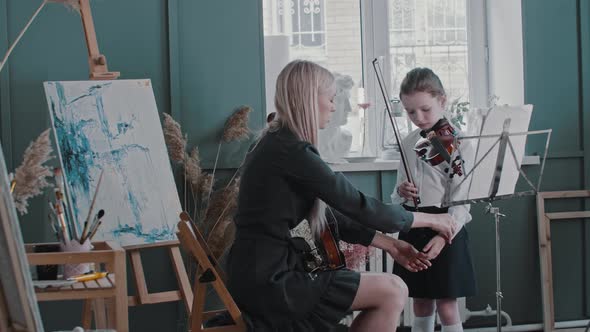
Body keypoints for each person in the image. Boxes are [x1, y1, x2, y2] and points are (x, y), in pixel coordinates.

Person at [226, 60, 459, 331]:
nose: (335, 107)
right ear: (310, 99)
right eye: (331, 98)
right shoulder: (291, 152)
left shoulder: (278, 143)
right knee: (393, 290)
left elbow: (332, 215)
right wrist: (431, 220)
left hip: (260, 274)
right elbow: (359, 206)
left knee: (393, 288)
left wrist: (392, 246)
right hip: (271, 281)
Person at [391, 67, 477, 332]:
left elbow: (462, 200)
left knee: (447, 304)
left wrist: (444, 236)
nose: (418, 117)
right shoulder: (408, 143)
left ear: (442, 100)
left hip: (448, 225)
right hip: (414, 224)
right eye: (410, 111)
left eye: (425, 109)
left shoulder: (457, 143)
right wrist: (402, 191)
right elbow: (396, 195)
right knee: (420, 301)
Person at [318, 72, 354, 162]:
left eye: (348, 100)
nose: (349, 109)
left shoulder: (346, 138)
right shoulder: (308, 140)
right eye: (342, 100)